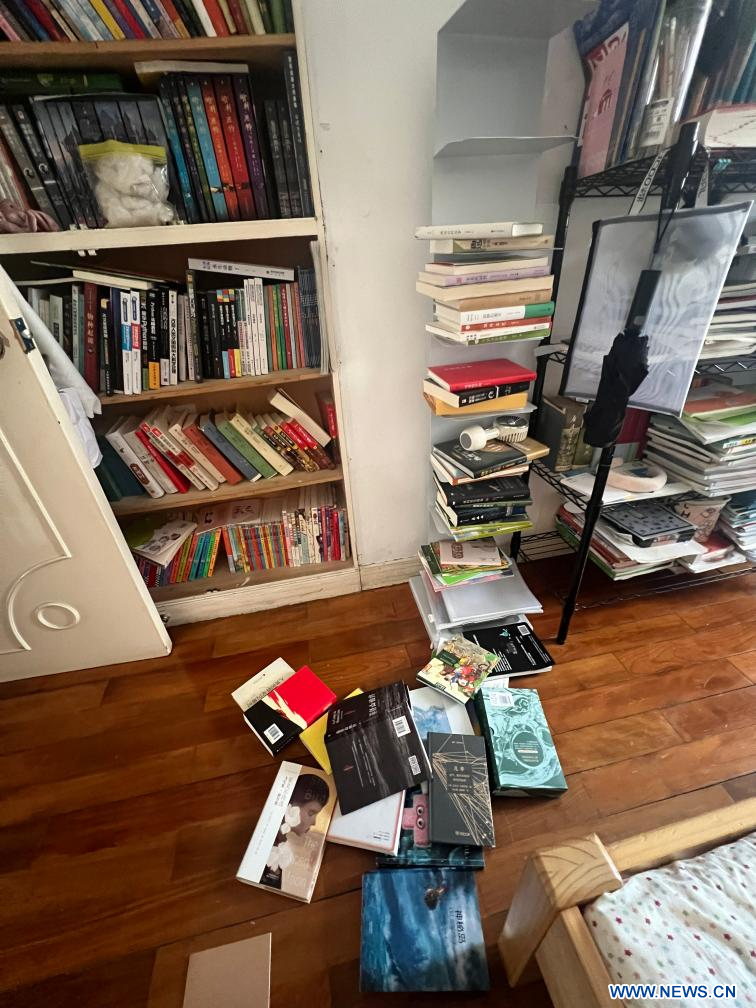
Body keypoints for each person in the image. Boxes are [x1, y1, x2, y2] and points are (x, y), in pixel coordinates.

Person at [261, 774, 331, 892]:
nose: (314, 822)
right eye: (311, 813)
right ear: (291, 805)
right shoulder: (269, 843)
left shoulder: (281, 846)